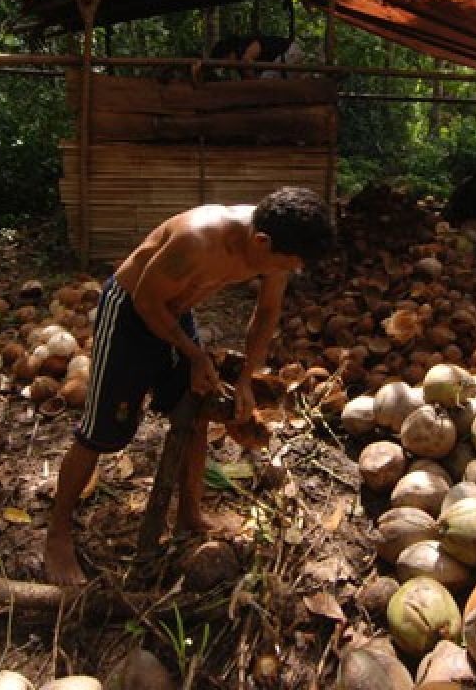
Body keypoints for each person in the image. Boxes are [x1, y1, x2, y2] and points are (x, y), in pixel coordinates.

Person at [44, 186, 334, 585]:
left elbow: (266, 313)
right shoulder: (198, 239)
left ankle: (189, 515)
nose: (290, 270)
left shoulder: (277, 242)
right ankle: (57, 533)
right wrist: (195, 355)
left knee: (196, 409)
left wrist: (248, 378)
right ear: (262, 241)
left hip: (175, 313)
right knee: (101, 432)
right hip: (130, 312)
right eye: (289, 262)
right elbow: (146, 301)